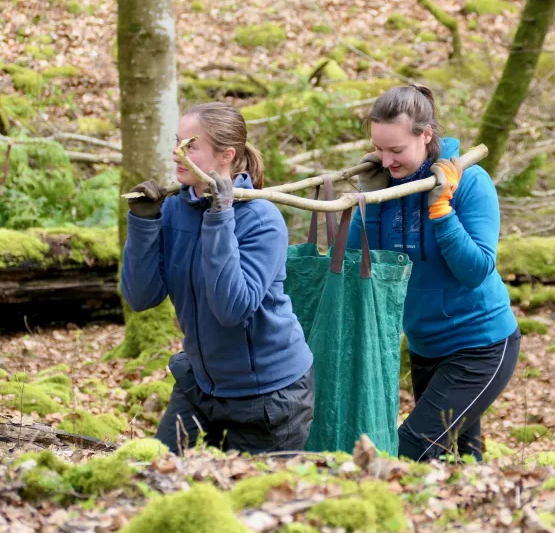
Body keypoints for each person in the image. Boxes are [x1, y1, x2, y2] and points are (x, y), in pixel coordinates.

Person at [121, 102, 314, 455]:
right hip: (200, 386)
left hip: (268, 398)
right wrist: (144, 224)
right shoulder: (175, 208)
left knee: (255, 506)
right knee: (155, 482)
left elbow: (232, 308)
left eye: (190, 146)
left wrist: (220, 216)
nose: (178, 155)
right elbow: (140, 297)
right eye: (177, 143)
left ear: (226, 155)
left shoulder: (262, 219)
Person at [348, 84, 520, 462]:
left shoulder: (471, 183)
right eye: (378, 148)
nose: (386, 160)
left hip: (480, 344)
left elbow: (475, 271)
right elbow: (359, 263)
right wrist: (371, 203)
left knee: (409, 451)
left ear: (426, 136)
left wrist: (441, 209)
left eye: (396, 150)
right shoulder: (385, 186)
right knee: (455, 464)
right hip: (425, 347)